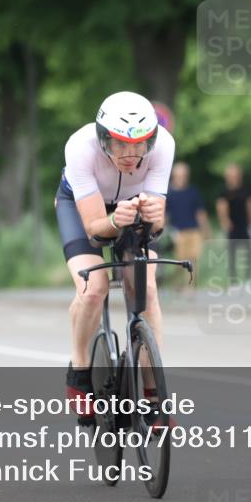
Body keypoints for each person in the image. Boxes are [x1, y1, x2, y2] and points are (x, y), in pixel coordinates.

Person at [54, 91, 174, 423]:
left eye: (139, 145)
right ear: (104, 137)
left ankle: (152, 395)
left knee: (146, 288)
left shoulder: (163, 145)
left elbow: (158, 224)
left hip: (131, 206)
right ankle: (79, 372)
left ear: (151, 139)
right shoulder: (80, 147)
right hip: (84, 210)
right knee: (94, 288)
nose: (130, 154)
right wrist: (112, 221)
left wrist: (155, 215)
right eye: (120, 144)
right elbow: (94, 228)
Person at [166, 162, 211, 289]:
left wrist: (206, 231)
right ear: (174, 176)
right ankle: (177, 284)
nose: (182, 178)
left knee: (193, 260)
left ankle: (189, 287)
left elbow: (200, 213)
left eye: (184, 175)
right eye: (179, 175)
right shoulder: (169, 193)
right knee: (180, 261)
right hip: (178, 232)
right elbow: (165, 216)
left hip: (194, 231)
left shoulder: (193, 192)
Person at [216, 163, 251, 287]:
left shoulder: (246, 190)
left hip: (245, 225)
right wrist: (224, 224)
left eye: (235, 175)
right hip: (232, 227)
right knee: (232, 255)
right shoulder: (223, 191)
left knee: (249, 254)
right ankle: (234, 282)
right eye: (231, 175)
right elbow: (221, 208)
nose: (233, 177)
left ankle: (249, 281)